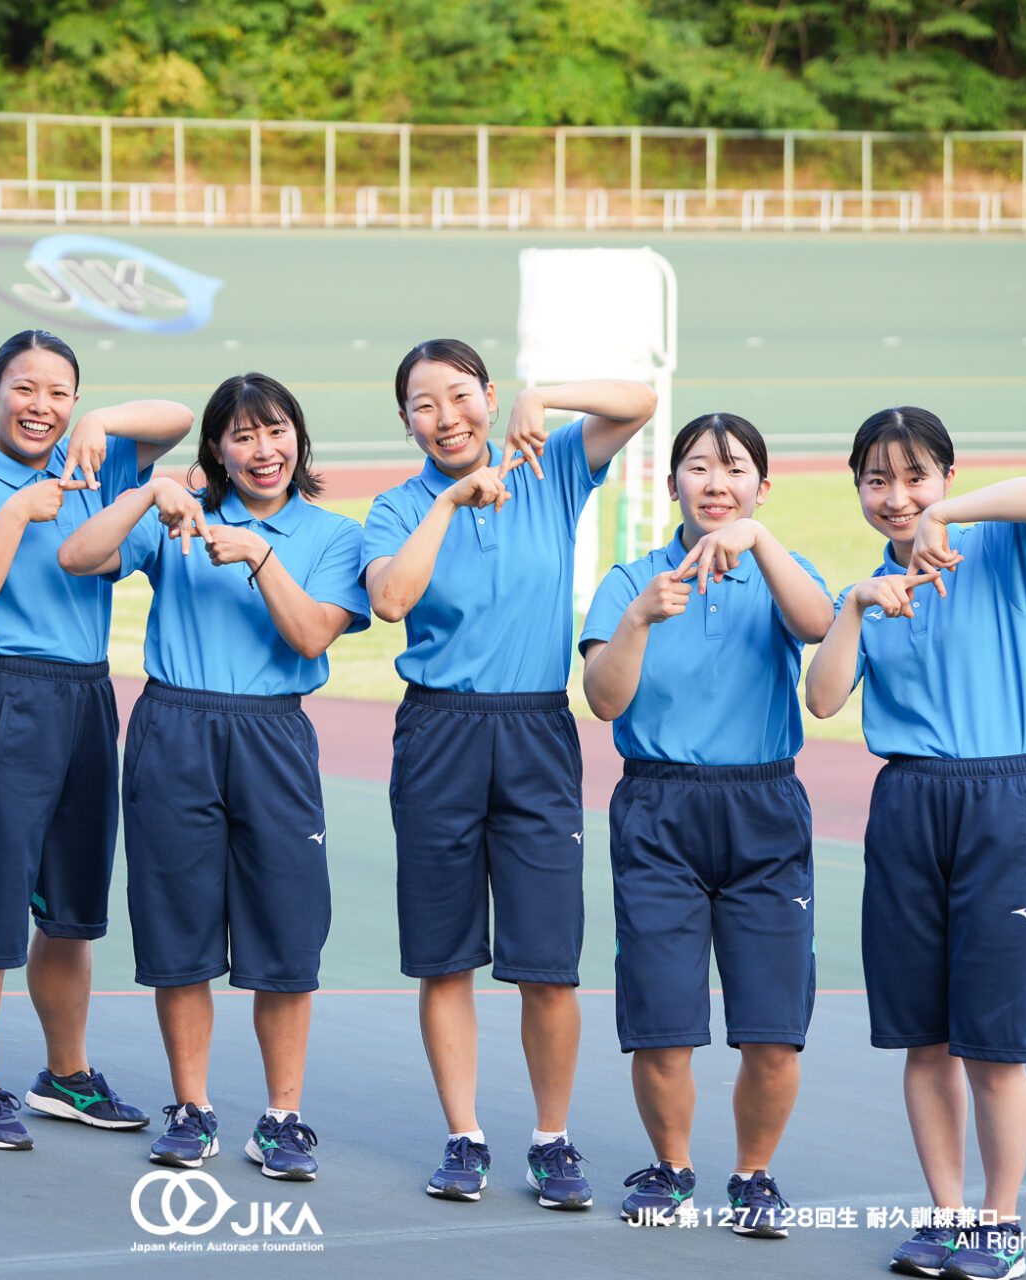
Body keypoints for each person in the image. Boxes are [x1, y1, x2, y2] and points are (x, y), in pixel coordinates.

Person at [360, 338, 655, 1205]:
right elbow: (390, 599)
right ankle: (464, 1137)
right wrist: (450, 500)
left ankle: (552, 1139)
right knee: (444, 958)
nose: (446, 417)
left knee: (547, 960)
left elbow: (635, 401)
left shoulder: (551, 466)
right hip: (439, 733)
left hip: (534, 731)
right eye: (424, 404)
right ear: (406, 420)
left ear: (489, 397)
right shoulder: (393, 509)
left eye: (461, 396)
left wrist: (549, 396)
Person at [59, 372, 368, 1182]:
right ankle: (191, 1107)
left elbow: (309, 638)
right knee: (178, 927)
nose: (262, 451)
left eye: (276, 433)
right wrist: (148, 494)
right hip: (173, 726)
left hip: (273, 733)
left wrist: (261, 556)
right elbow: (79, 555)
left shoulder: (334, 536)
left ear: (298, 438)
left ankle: (283, 1117)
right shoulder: (182, 516)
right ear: (218, 451)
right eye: (242, 436)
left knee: (287, 931)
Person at [806, 408, 1026, 1280]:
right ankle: (947, 1220)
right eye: (876, 481)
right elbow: (823, 698)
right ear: (857, 491)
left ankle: (1000, 1226)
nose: (896, 497)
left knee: (994, 1041)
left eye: (915, 477)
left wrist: (947, 520)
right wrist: (852, 603)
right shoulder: (878, 591)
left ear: (948, 477)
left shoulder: (1000, 552)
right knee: (925, 1038)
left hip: (1007, 799)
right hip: (911, 804)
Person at [0, 329, 192, 1150]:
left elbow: (177, 417)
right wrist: (15, 511)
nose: (41, 406)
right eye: (24, 389)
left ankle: (64, 1075)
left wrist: (101, 419)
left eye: (59, 392)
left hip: (82, 697)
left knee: (72, 911)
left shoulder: (98, 464)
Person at [577, 413, 831, 1235]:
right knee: (663, 1017)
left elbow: (820, 624)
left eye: (733, 469)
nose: (714, 483)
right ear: (671, 482)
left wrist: (759, 542)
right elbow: (605, 700)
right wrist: (640, 619)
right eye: (697, 467)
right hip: (658, 805)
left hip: (763, 807)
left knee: (773, 1025)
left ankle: (753, 1175)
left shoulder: (781, 569)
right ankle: (671, 1167)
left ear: (761, 486)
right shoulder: (630, 580)